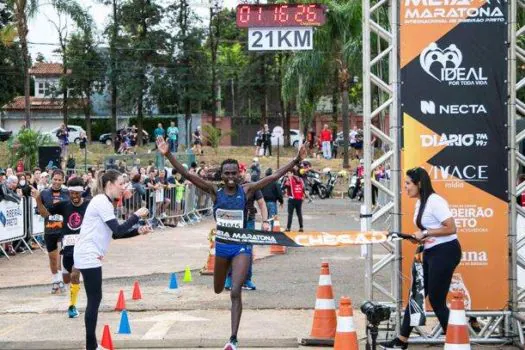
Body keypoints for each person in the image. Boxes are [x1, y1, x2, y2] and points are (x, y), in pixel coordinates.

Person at [156, 136, 307, 350]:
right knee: (218, 289)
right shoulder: (213, 191)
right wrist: (168, 154)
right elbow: (187, 174)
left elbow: (273, 176)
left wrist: (295, 161)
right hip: (222, 247)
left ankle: (233, 339)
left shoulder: (247, 191)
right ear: (221, 175)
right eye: (226, 173)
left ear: (239, 174)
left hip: (241, 246)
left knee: (235, 291)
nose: (230, 177)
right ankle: (223, 283)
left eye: (233, 173)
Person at [380, 167, 460, 350]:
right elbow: (428, 232)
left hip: (446, 252)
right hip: (432, 252)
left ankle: (457, 342)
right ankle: (401, 341)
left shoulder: (435, 201)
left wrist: (424, 232)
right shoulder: (420, 203)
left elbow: (451, 228)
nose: (405, 187)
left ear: (419, 184)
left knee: (437, 301)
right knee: (416, 296)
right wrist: (412, 237)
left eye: (408, 183)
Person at [74, 170, 152, 350]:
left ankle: (91, 346)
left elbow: (115, 234)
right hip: (88, 253)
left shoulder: (106, 203)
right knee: (94, 299)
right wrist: (137, 215)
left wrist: (138, 231)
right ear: (109, 184)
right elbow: (117, 230)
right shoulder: (101, 201)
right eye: (120, 183)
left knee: (95, 298)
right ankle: (91, 346)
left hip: (90, 253)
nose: (123, 187)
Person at [33, 177, 89, 319]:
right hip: (67, 247)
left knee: (75, 274)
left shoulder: (89, 205)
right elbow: (45, 214)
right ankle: (73, 291)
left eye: (77, 193)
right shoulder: (64, 205)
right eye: (71, 193)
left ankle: (72, 306)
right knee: (66, 278)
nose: (74, 196)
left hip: (82, 247)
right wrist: (38, 199)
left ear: (82, 192)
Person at [40, 169, 70, 293]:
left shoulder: (67, 193)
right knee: (53, 258)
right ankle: (55, 280)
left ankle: (62, 280)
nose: (57, 182)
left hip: (63, 230)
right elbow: (40, 211)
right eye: (55, 179)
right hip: (50, 229)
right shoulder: (44, 193)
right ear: (51, 179)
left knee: (62, 256)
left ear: (63, 180)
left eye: (59, 180)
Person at [283, 167, 305, 232]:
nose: (288, 174)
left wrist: (286, 181)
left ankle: (288, 228)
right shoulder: (300, 179)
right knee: (299, 213)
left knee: (290, 214)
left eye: (289, 173)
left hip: (292, 199)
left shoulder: (289, 179)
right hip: (299, 199)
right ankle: (301, 227)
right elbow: (303, 188)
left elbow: (284, 186)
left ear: (292, 173)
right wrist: (302, 196)